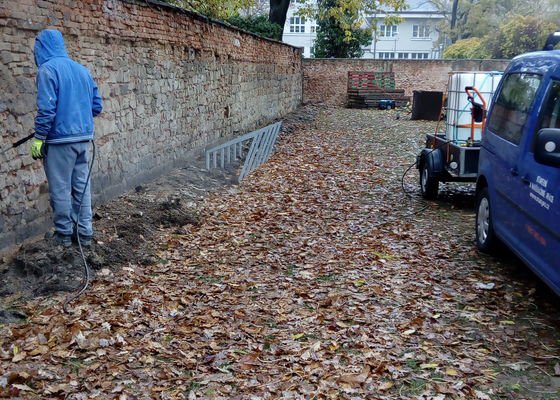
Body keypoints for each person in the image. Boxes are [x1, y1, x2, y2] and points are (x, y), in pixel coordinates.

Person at [30, 29, 103, 247]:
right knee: (81, 186)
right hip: (83, 140)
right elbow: (97, 106)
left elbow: (46, 110)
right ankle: (85, 234)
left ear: (42, 47)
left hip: (59, 141)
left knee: (60, 187)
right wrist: (76, 115)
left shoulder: (47, 70)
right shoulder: (82, 70)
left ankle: (63, 235)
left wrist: (39, 137)